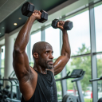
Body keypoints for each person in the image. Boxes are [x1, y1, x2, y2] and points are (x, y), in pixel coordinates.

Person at [13, 10, 71, 102]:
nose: (51, 56)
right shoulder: (29, 77)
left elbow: (66, 55)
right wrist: (32, 17)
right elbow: (19, 49)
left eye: (52, 52)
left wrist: (64, 31)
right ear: (36, 55)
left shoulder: (50, 72)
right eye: (47, 52)